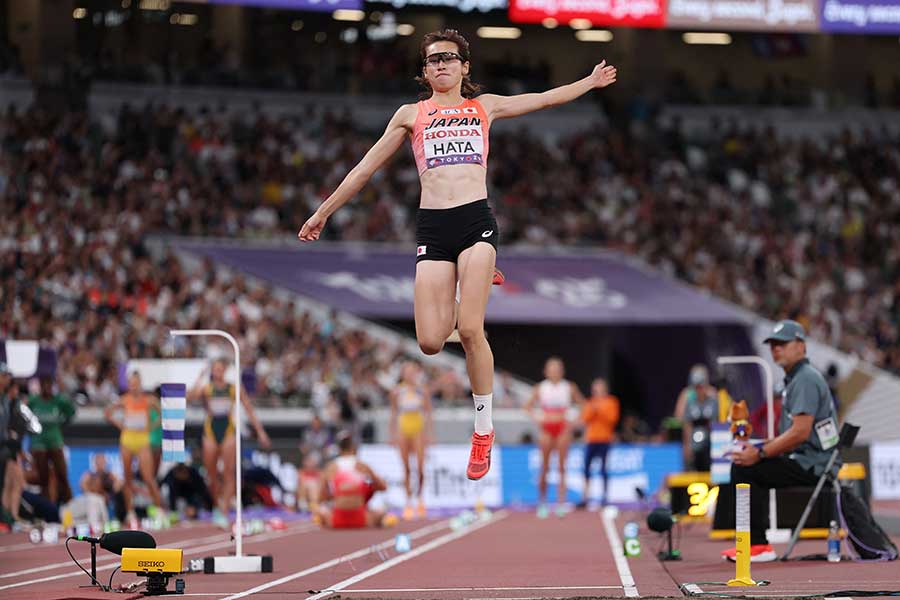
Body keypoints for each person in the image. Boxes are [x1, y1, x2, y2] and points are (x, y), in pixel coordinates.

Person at [299, 29, 617, 480]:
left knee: (470, 328)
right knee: (430, 340)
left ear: (465, 67)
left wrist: (588, 83)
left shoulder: (482, 107)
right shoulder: (411, 115)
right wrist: (322, 213)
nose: (441, 65)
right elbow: (364, 169)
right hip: (433, 227)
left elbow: (543, 99)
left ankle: (481, 431)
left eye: (449, 58)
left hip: (474, 221)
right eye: (432, 60)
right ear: (424, 70)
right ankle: (477, 279)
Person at [722, 320, 841, 563]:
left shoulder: (805, 379)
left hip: (815, 464)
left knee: (746, 467)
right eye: (773, 344)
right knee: (748, 460)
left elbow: (799, 434)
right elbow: (792, 434)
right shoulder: (795, 379)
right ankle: (754, 542)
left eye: (783, 344)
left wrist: (760, 452)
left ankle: (757, 545)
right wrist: (757, 444)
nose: (776, 349)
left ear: (801, 346)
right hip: (808, 458)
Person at [188, 359, 270, 527]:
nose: (217, 372)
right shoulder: (207, 388)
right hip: (211, 430)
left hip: (228, 431)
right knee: (210, 473)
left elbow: (248, 408)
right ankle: (218, 506)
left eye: (220, 369)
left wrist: (260, 432)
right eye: (215, 369)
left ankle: (224, 510)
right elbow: (189, 397)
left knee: (228, 473)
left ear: (224, 370)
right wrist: (200, 376)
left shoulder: (233, 388)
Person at [525, 357, 585, 518]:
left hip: (562, 428)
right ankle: (542, 502)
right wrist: (539, 418)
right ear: (546, 371)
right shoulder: (540, 388)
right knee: (544, 467)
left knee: (562, 467)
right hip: (547, 428)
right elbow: (527, 407)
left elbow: (584, 405)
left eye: (557, 369)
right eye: (551, 369)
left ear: (562, 371)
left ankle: (561, 503)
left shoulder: (569, 387)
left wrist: (574, 421)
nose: (554, 372)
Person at [104, 371, 164, 526]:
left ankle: (160, 510)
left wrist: (151, 426)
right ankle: (130, 513)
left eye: (136, 383)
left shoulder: (149, 400)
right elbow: (108, 413)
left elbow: (161, 415)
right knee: (128, 478)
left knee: (148, 477)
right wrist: (120, 424)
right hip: (127, 440)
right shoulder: (124, 400)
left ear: (140, 384)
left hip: (142, 440)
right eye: (131, 384)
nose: (133, 386)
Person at [315, 434, 396, 529]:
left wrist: (335, 495)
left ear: (339, 449)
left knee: (320, 511)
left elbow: (320, 497)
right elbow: (383, 487)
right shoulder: (362, 466)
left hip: (337, 519)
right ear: (354, 448)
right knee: (382, 511)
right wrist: (370, 490)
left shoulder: (330, 467)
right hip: (361, 518)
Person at [389, 361, 433, 520]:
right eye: (406, 371)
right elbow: (394, 413)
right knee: (406, 467)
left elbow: (428, 413)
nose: (409, 374)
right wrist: (392, 435)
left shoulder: (422, 391)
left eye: (412, 371)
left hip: (418, 429)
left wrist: (430, 435)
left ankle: (420, 499)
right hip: (403, 428)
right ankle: (408, 503)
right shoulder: (396, 391)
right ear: (402, 374)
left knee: (420, 468)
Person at [27, 377, 76, 504]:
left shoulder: (59, 401)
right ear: (40, 386)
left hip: (55, 441)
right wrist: (30, 430)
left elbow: (71, 412)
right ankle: (47, 507)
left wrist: (61, 423)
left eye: (49, 385)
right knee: (43, 478)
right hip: (38, 443)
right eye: (44, 385)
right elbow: (23, 415)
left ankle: (69, 505)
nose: (47, 388)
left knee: (62, 476)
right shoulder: (33, 401)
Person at [578, 378, 620, 508]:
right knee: (586, 469)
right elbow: (585, 419)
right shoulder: (590, 402)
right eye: (596, 388)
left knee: (603, 469)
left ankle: (604, 497)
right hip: (591, 440)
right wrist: (593, 409)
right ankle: (585, 497)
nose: (597, 391)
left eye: (600, 388)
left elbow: (612, 419)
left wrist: (599, 410)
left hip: (605, 439)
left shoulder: (612, 402)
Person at [673, 364, 718, 471]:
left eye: (701, 386)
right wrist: (687, 445)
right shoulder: (687, 397)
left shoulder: (714, 396)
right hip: (692, 440)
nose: (699, 390)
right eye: (696, 387)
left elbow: (723, 420)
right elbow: (680, 419)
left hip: (711, 442)